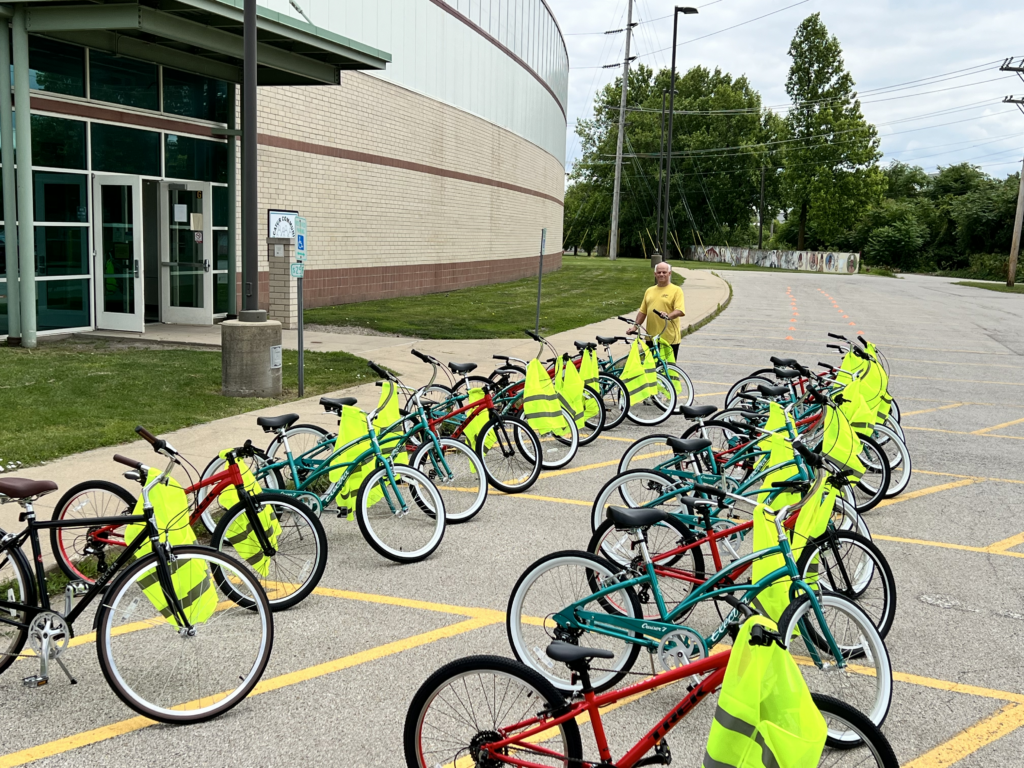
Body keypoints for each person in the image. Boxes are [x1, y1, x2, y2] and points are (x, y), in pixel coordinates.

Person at [630, 261, 685, 358]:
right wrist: (635, 327)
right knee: (652, 369)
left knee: (668, 369)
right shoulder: (649, 291)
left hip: (669, 338)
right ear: (655, 274)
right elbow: (643, 312)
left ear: (669, 273)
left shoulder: (676, 290)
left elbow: (679, 311)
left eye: (664, 272)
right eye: (659, 272)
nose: (661, 274)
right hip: (652, 338)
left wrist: (668, 316)